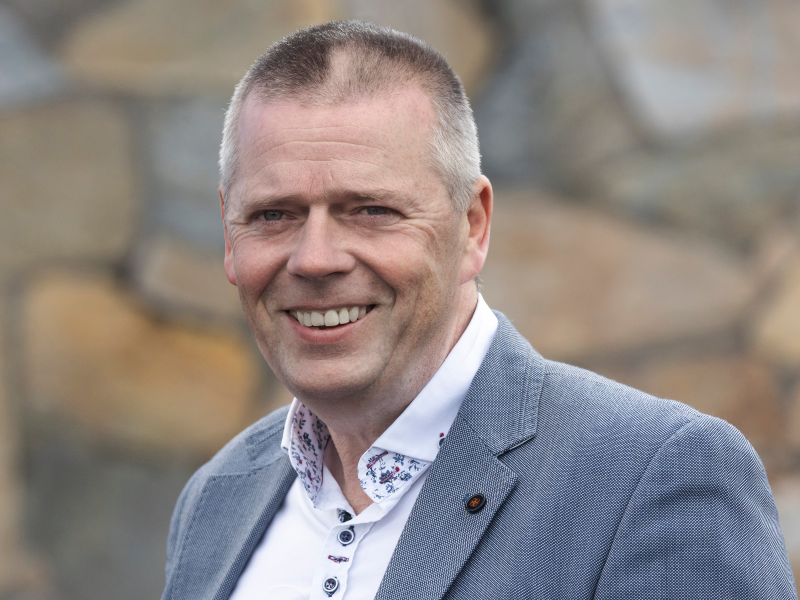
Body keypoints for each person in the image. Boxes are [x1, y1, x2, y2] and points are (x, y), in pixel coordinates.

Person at [161, 21, 796, 600]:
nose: (316, 258)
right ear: (228, 233)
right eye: (274, 215)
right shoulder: (217, 499)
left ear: (473, 226)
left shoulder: (654, 477)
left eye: (371, 210)